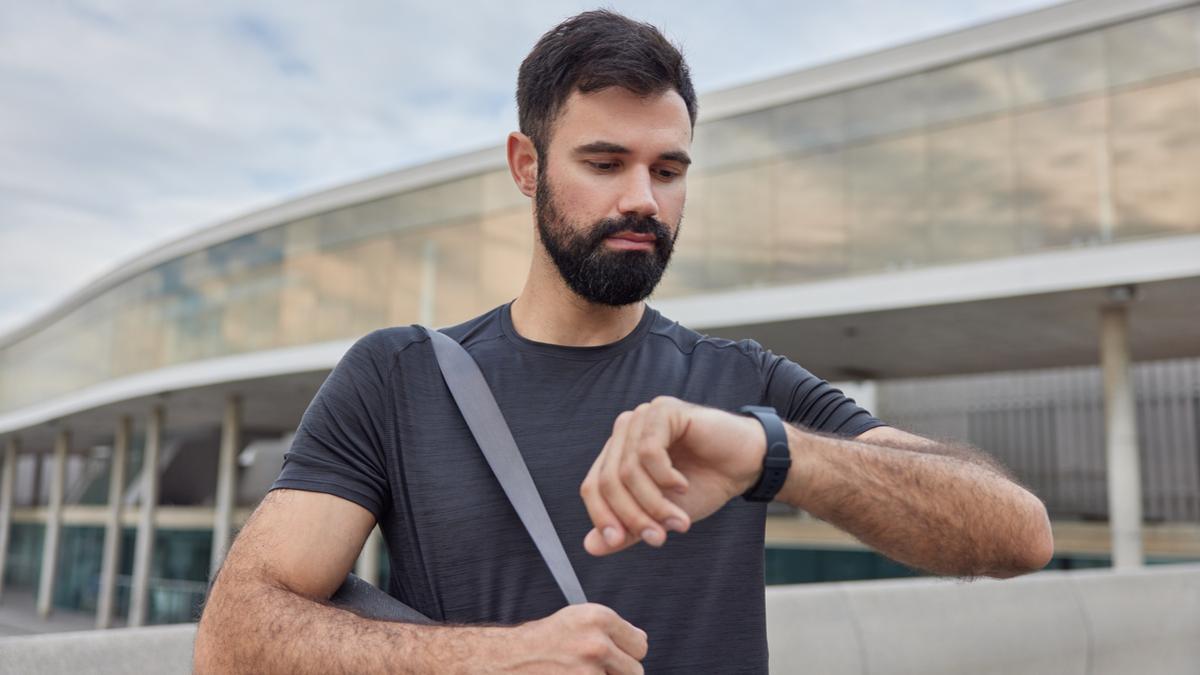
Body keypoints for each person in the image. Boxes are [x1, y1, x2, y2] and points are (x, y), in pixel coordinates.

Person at [194, 10, 1053, 674]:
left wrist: (774, 453)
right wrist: (484, 658)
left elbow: (1020, 536)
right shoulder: (398, 377)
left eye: (669, 170)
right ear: (527, 166)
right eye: (604, 163)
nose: (643, 196)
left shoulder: (741, 380)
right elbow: (231, 637)